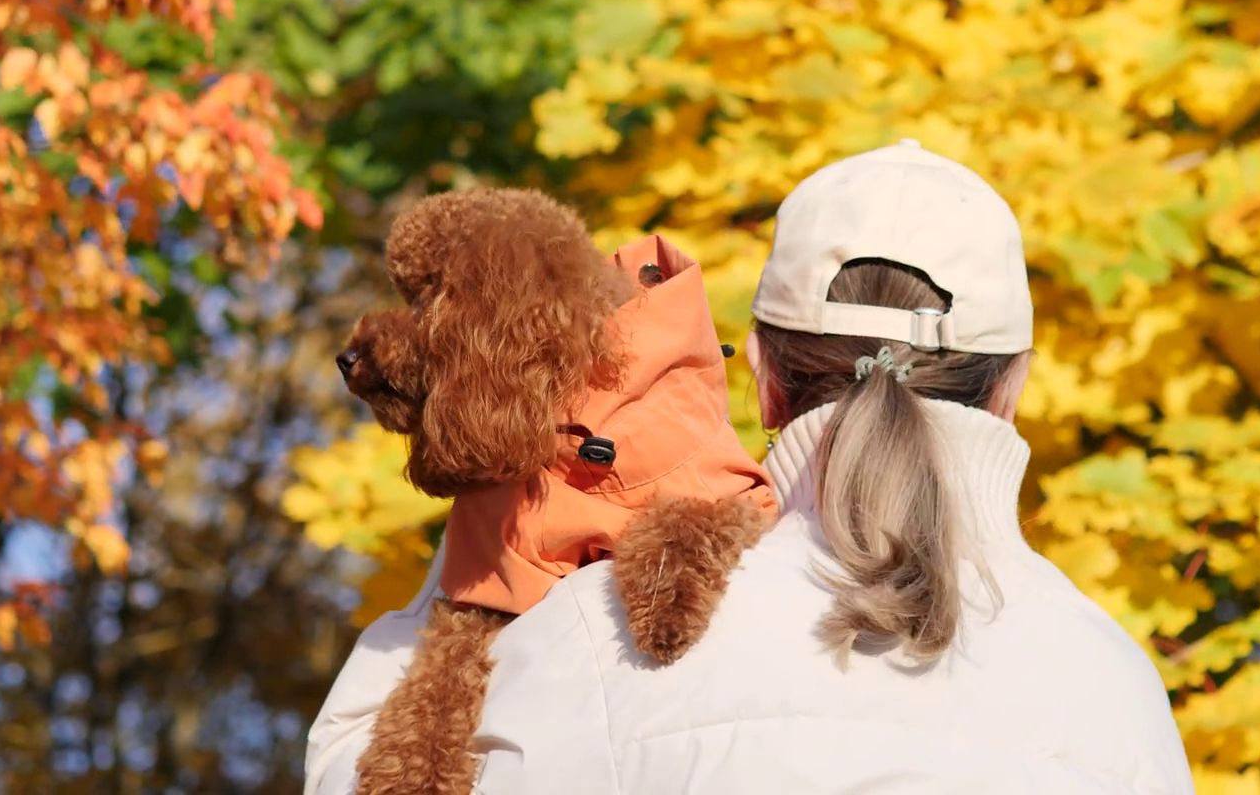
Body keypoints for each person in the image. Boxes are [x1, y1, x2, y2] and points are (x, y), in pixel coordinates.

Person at [307, 139, 1196, 794]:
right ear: (1012, 389)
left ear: (763, 375)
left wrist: (483, 533)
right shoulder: (1119, 689)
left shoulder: (592, 632)